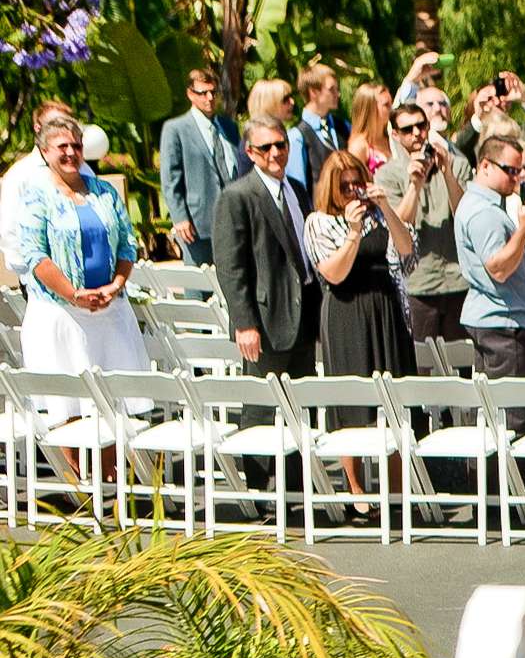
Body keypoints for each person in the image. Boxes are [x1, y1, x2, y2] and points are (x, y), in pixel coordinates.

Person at [7, 117, 149, 414]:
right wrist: (74, 294)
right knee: (68, 408)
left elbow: (127, 243)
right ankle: (74, 465)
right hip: (61, 315)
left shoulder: (104, 191)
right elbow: (35, 255)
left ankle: (110, 464)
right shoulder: (35, 195)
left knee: (113, 408)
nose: (71, 152)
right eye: (62, 146)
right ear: (45, 152)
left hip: (109, 313)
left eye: (76, 145)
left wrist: (116, 285)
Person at [305, 151, 416, 500]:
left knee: (395, 399)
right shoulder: (320, 222)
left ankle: (396, 488)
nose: (353, 191)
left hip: (386, 308)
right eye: (345, 185)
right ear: (331, 188)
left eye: (358, 182)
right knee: (351, 400)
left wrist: (385, 208)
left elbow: (407, 249)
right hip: (346, 311)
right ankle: (354, 490)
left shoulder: (378, 217)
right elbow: (333, 273)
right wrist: (353, 232)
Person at [213, 119, 319, 376]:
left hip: (304, 313)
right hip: (265, 321)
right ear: (250, 152)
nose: (275, 153)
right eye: (265, 147)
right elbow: (230, 268)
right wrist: (245, 323)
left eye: (280, 145)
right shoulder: (237, 196)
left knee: (304, 405)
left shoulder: (297, 190)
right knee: (262, 410)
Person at [455, 135, 525, 395]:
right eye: (510, 171)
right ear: (485, 166)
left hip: (497, 320)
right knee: (511, 420)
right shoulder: (485, 213)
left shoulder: (483, 206)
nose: (517, 178)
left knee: (496, 415)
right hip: (503, 325)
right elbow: (498, 268)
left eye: (519, 171)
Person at [374, 101, 471, 342]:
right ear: (395, 135)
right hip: (418, 285)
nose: (416, 133)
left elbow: (465, 215)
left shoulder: (457, 164)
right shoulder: (388, 174)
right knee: (421, 368)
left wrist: (447, 172)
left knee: (462, 365)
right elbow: (399, 226)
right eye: (407, 130)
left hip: (459, 281)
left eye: (421, 126)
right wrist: (415, 184)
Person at [158, 68, 245, 267]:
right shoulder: (176, 129)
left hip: (233, 219)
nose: (209, 98)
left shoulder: (228, 127)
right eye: (203, 93)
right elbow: (170, 178)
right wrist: (180, 217)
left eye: (213, 92)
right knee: (200, 287)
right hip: (198, 223)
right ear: (190, 94)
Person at [285, 62, 346, 194]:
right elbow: (299, 187)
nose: (338, 94)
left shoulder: (343, 126)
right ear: (313, 92)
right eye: (331, 89)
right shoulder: (297, 136)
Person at [343, 81, 393, 174]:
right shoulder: (359, 146)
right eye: (386, 105)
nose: (392, 108)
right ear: (370, 109)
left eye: (391, 103)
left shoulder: (391, 138)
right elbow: (355, 182)